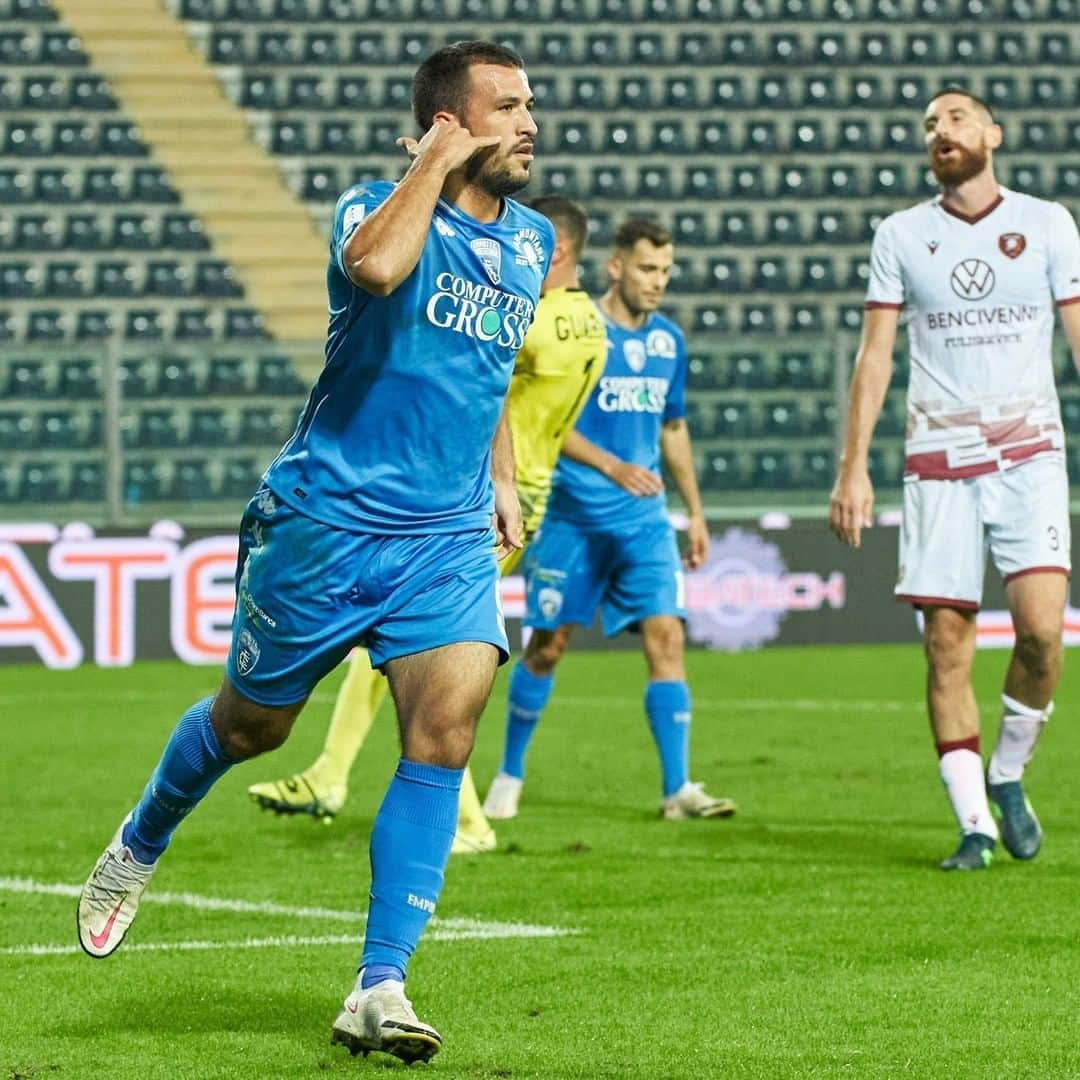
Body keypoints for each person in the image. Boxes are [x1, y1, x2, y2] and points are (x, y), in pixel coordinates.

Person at [76, 40, 554, 1065]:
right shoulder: (373, 208)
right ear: (445, 124)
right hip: (327, 522)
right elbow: (375, 268)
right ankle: (144, 835)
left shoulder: (530, 241)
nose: (530, 123)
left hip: (445, 537)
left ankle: (380, 984)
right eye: (506, 108)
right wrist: (433, 159)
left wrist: (503, 476)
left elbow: (491, 369)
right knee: (254, 729)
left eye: (531, 105)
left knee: (445, 730)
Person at [246, 195, 607, 853]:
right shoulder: (591, 325)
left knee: (410, 645)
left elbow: (468, 362)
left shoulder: (538, 321)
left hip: (483, 497)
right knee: (407, 645)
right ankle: (360, 786)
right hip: (532, 488)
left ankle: (422, 807)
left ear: (553, 251)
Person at [830, 87, 1080, 871]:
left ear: (993, 134)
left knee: (1042, 633)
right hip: (938, 464)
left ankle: (1007, 771)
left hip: (1029, 455)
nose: (941, 130)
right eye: (931, 122)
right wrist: (853, 466)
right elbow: (876, 356)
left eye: (956, 118)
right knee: (946, 643)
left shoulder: (1047, 223)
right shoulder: (900, 233)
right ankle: (974, 825)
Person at [482, 219, 737, 822]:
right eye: (648, 269)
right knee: (547, 648)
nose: (659, 282)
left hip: (645, 523)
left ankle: (677, 789)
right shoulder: (580, 331)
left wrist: (695, 512)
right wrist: (613, 465)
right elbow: (547, 419)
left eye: (667, 271)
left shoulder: (670, 342)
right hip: (573, 516)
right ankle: (510, 773)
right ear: (617, 267)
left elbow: (673, 427)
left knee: (667, 638)